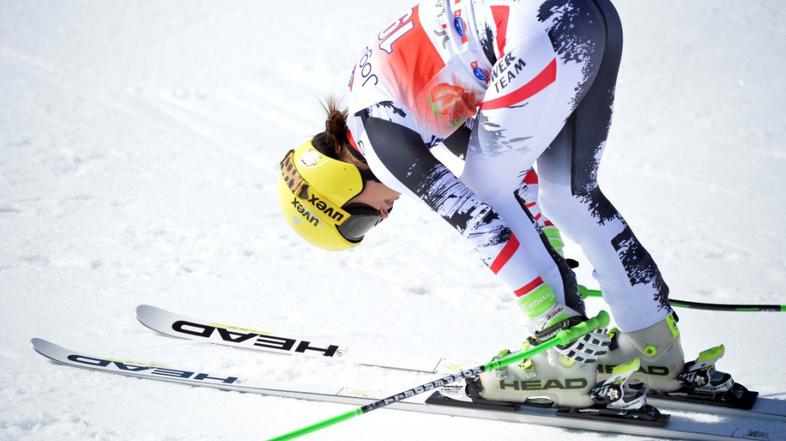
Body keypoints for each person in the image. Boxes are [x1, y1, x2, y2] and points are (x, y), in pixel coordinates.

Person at [278, 0, 734, 410]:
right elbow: (522, 184)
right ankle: (654, 346)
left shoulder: (375, 134)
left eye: (358, 221)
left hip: (540, 27)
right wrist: (557, 269)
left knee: (483, 190)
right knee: (570, 193)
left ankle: (566, 360)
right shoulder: (398, 105)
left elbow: (477, 215)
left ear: (337, 181)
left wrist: (554, 317)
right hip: (586, 17)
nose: (381, 217)